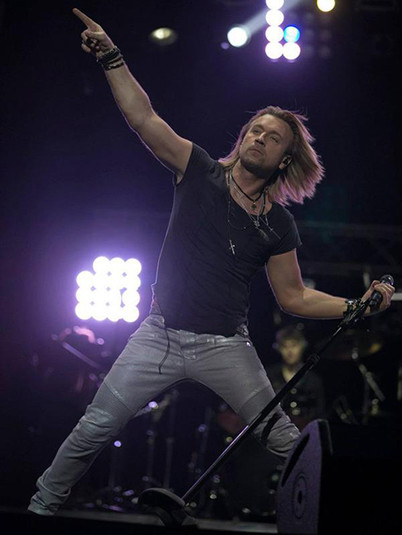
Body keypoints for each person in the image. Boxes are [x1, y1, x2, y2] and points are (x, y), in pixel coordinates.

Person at [27, 8, 395, 516]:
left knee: (284, 439)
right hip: (159, 336)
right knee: (95, 427)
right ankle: (39, 511)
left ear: (285, 159)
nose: (259, 138)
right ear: (242, 137)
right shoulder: (198, 171)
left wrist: (356, 305)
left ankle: (342, 517)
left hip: (225, 346)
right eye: (255, 130)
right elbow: (144, 118)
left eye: (272, 137)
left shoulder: (278, 224)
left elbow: (294, 297)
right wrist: (112, 57)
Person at [267, 324, 326, 430]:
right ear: (278, 348)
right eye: (285, 346)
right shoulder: (270, 376)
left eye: (294, 345)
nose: (290, 351)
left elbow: (320, 414)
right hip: (277, 430)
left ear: (302, 346)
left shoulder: (313, 380)